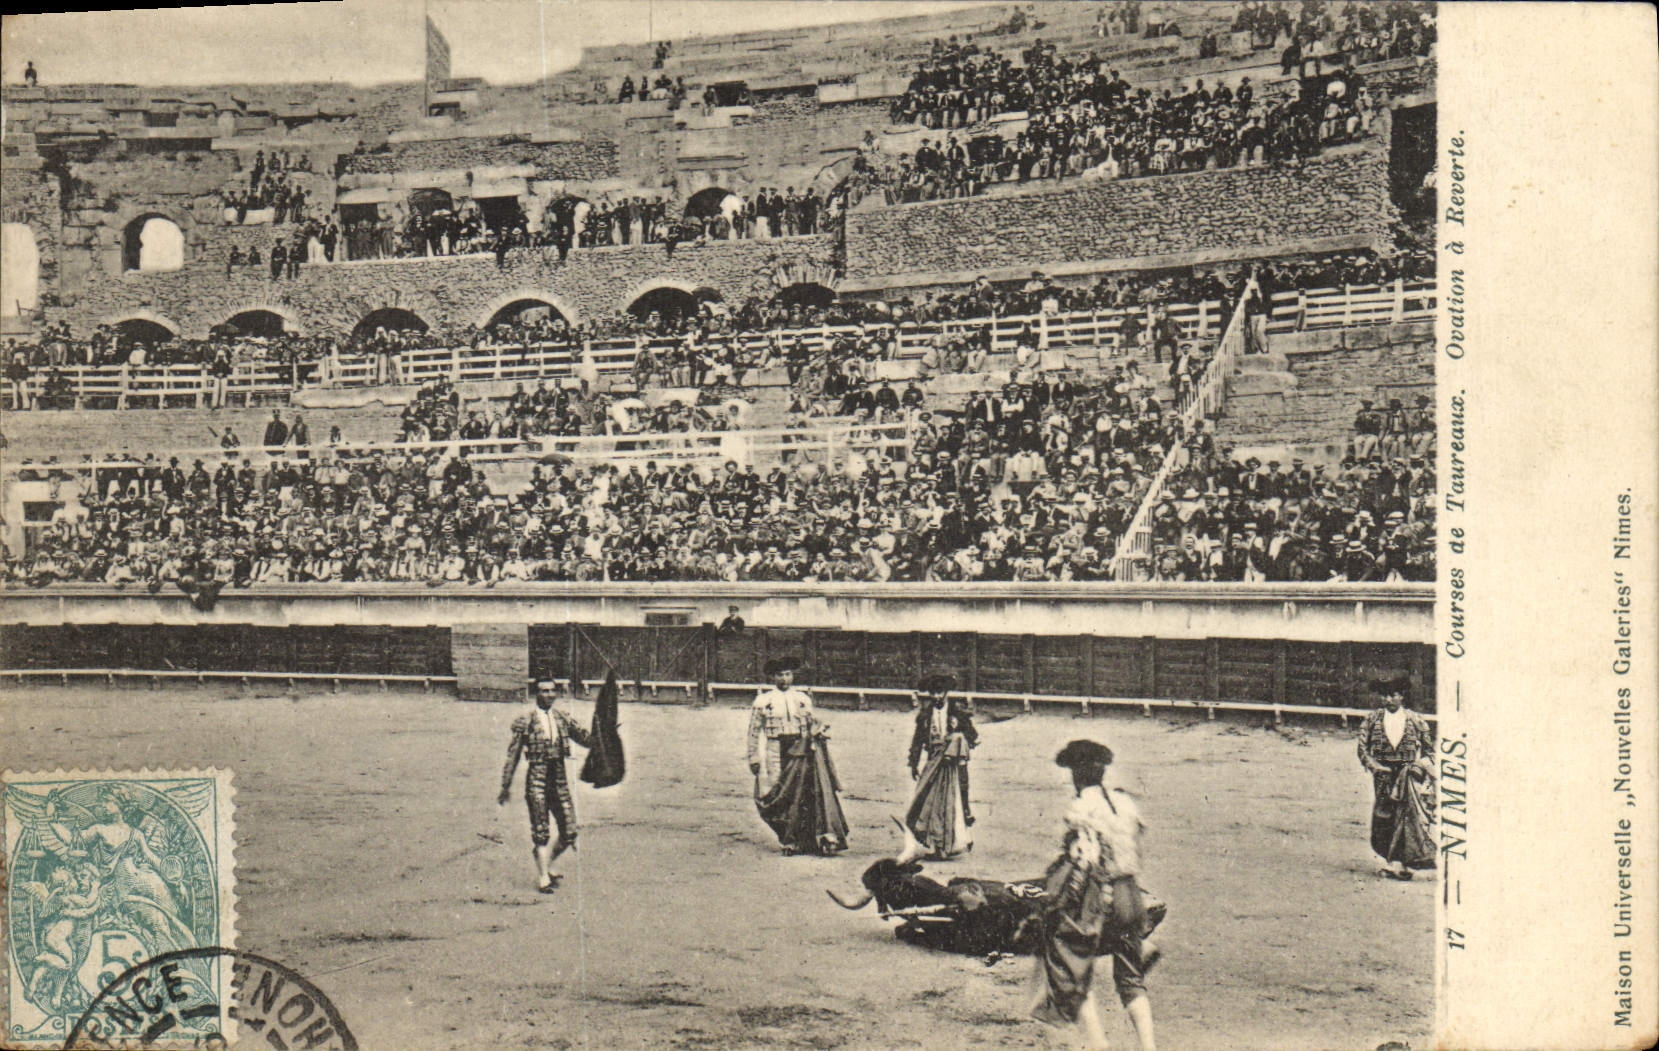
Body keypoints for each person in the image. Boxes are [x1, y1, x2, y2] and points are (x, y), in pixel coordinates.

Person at [1032, 739, 1160, 1051]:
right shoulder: (1125, 803)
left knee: (1071, 963)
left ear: (1077, 775)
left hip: (1100, 898)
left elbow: (1083, 861)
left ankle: (1098, 1044)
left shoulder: (1080, 809)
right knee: (1131, 979)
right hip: (1131, 895)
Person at [746, 656, 848, 855]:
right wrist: (753, 756)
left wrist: (820, 730)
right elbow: (753, 731)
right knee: (779, 792)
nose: (784, 679)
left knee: (802, 794)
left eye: (788, 674)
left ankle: (804, 839)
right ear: (772, 677)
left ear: (793, 675)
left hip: (800, 750)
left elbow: (812, 723)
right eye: (780, 675)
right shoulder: (763, 700)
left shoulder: (802, 699)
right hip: (775, 748)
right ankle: (788, 839)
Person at [500, 678, 594, 893]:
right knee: (541, 831)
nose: (549, 695)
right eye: (544, 691)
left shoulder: (562, 718)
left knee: (569, 831)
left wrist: (605, 736)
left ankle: (547, 864)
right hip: (537, 780)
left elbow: (586, 739)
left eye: (552, 691)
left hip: (558, 780)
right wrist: (505, 786)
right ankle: (543, 877)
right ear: (536, 694)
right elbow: (512, 756)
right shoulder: (526, 721)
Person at [1356, 675, 1436, 880]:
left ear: (1401, 696)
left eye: (1393, 695)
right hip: (1383, 774)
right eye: (1384, 695)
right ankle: (1392, 860)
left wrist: (1419, 767)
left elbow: (1430, 752)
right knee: (1384, 815)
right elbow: (1362, 750)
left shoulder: (1416, 720)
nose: (1388, 699)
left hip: (1407, 773)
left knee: (1407, 816)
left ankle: (1402, 863)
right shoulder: (1372, 719)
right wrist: (1375, 767)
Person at [903, 672, 978, 859]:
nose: (937, 696)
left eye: (940, 692)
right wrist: (913, 763)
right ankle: (936, 844)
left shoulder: (957, 712)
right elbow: (918, 740)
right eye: (933, 693)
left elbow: (972, 737)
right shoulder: (925, 715)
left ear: (946, 693)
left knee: (953, 803)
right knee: (927, 801)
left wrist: (958, 731)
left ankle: (950, 844)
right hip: (933, 762)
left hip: (952, 766)